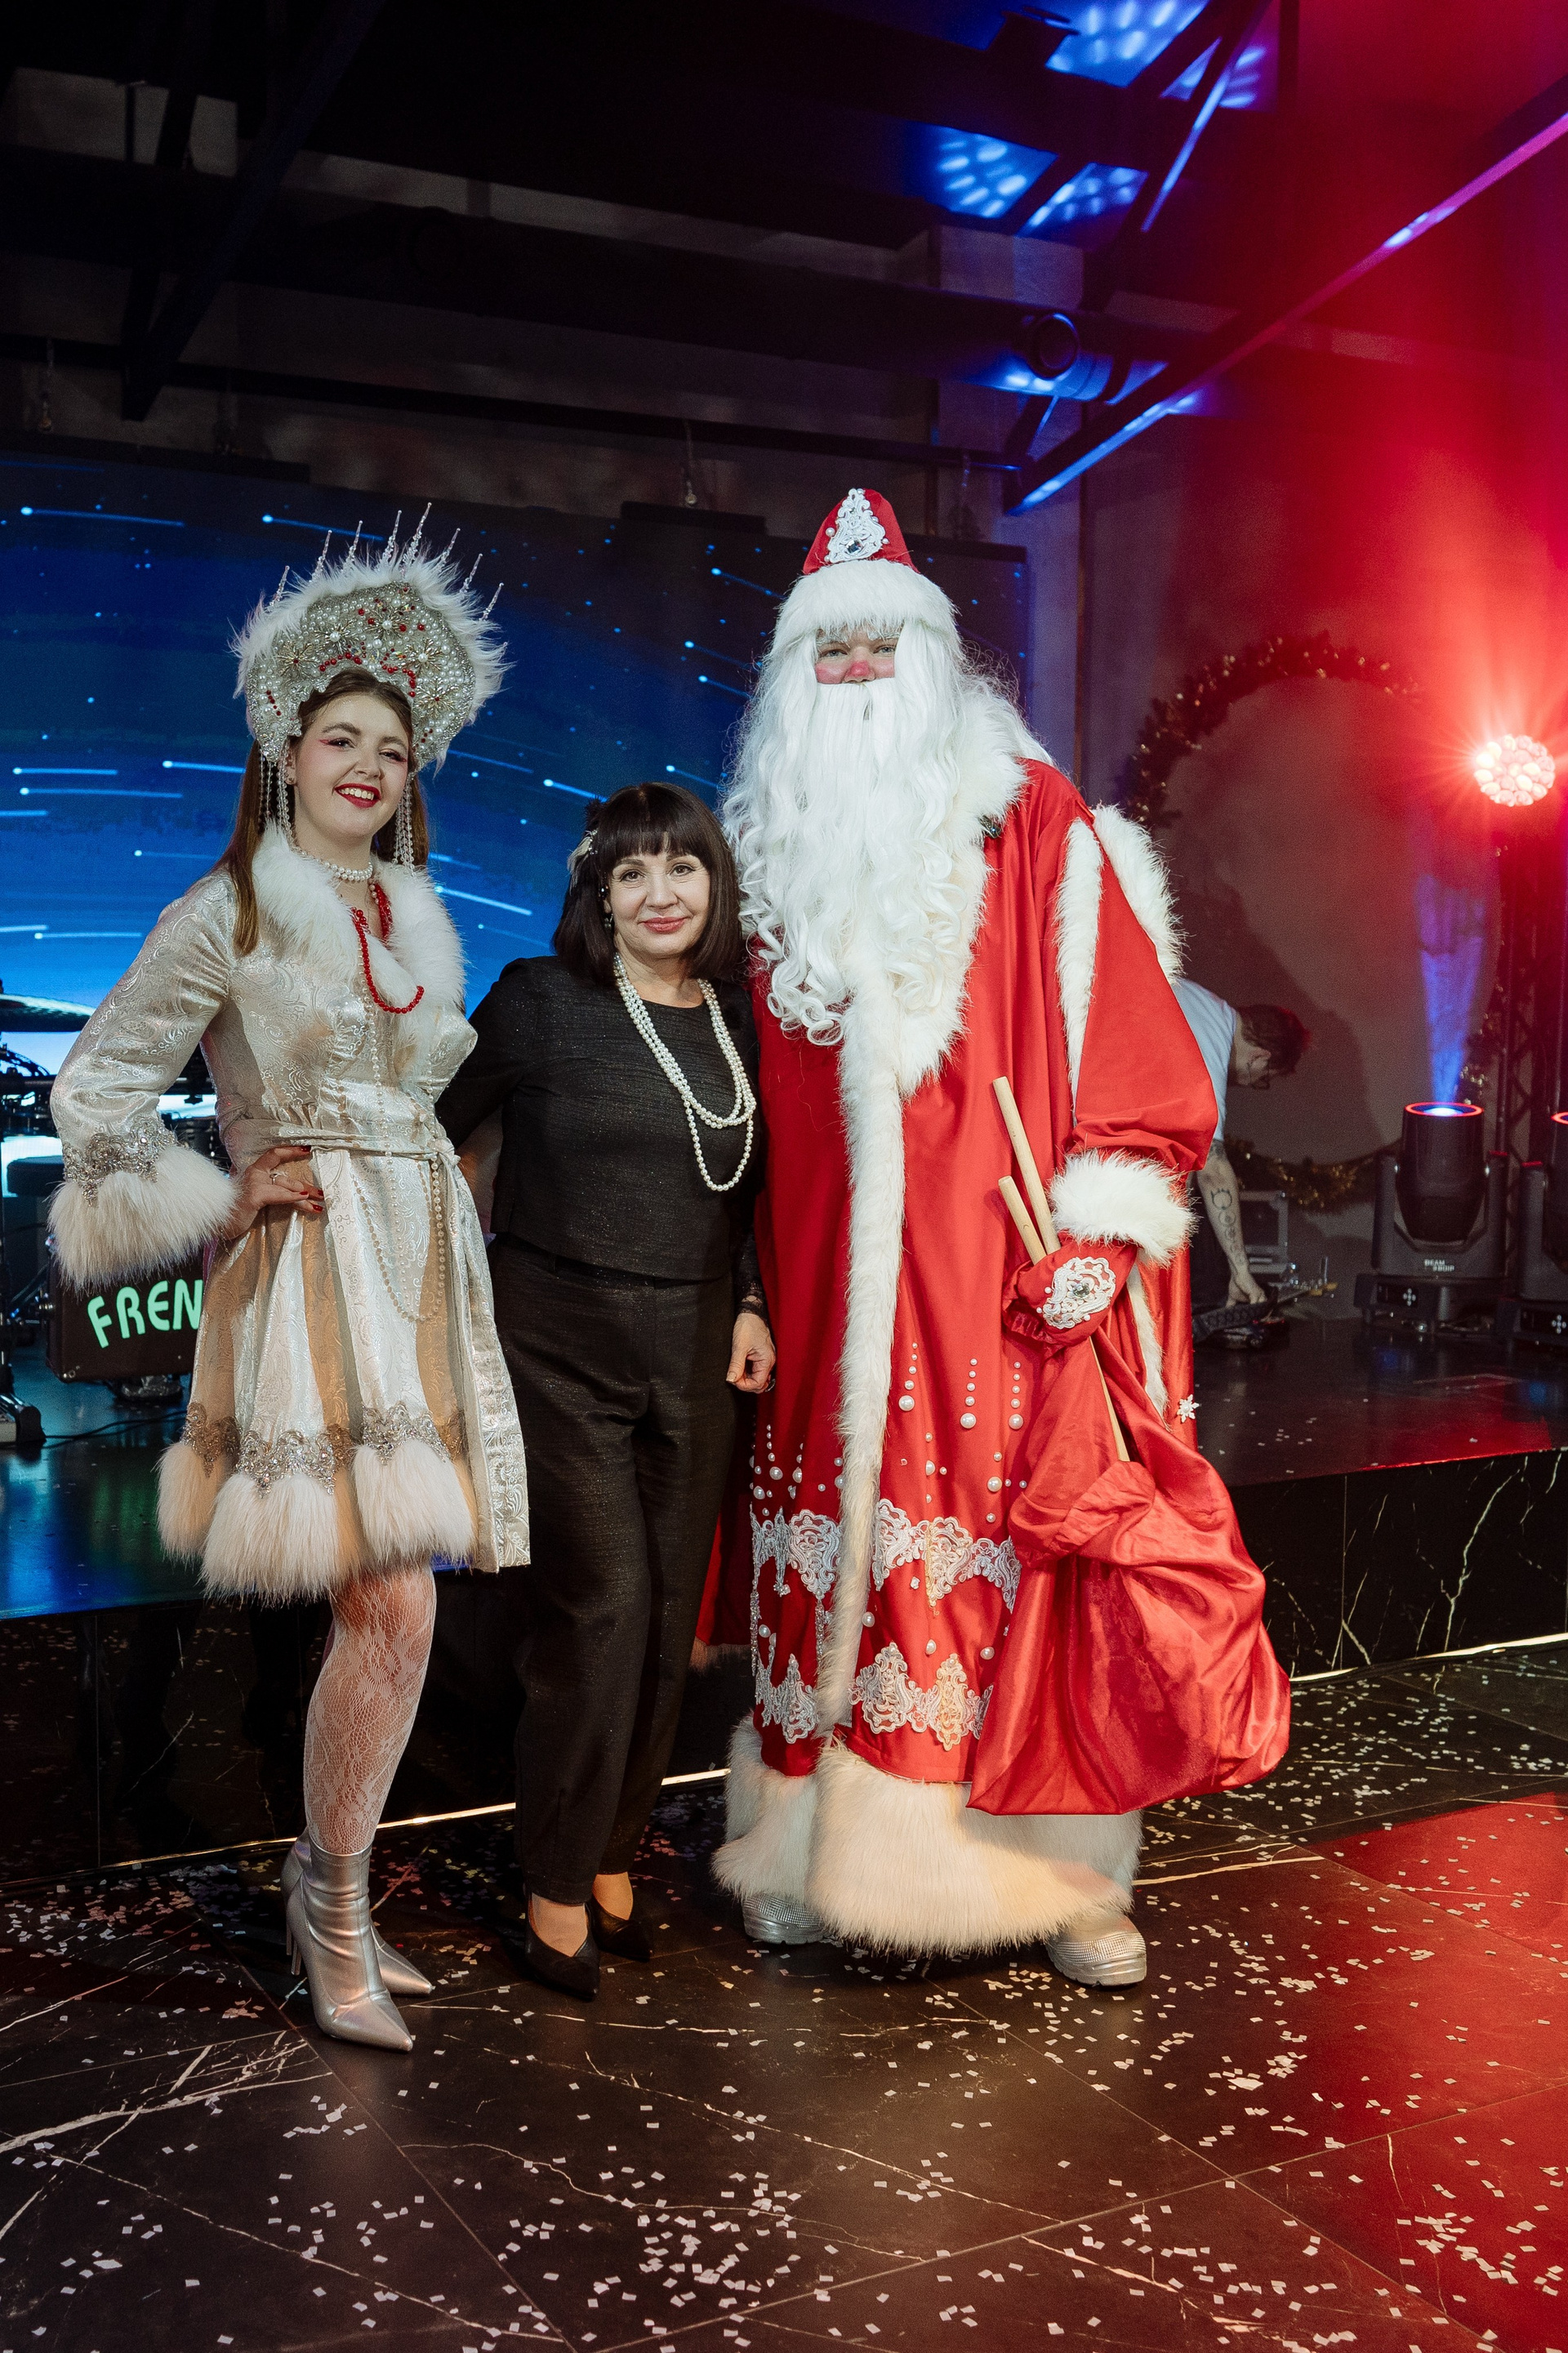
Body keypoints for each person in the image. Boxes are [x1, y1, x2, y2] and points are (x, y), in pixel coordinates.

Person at [706, 487, 1290, 1985]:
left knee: (1018, 1559)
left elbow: (1131, 1032)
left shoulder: (1029, 818)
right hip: (821, 1285)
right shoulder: (761, 853)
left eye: (877, 645)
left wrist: (1106, 1219)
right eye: (826, 649)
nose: (854, 672)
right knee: (827, 1552)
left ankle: (1058, 1879)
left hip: (996, 1271)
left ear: (930, 657)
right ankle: (797, 1844)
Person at [48, 524, 528, 2052]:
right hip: (312, 1271)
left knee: (401, 1603)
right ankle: (330, 1915)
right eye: (342, 739)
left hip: (416, 1270)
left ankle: (339, 1894)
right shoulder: (231, 911)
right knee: (391, 1602)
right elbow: (96, 1087)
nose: (370, 765)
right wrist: (231, 1187)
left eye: (393, 746)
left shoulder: (413, 914)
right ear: (285, 751)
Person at [434, 783, 775, 2000]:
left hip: (698, 1351)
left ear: (714, 883)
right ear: (600, 892)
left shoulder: (741, 1021)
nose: (659, 893)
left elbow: (755, 1194)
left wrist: (751, 1299)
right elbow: (431, 1135)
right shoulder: (538, 1000)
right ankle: (556, 1878)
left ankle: (615, 1850)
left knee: (673, 1617)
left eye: (682, 867)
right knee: (604, 1608)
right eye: (632, 873)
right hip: (556, 1343)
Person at [1170, 979, 1311, 1312]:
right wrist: (1241, 1271)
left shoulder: (1201, 1001)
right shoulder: (1212, 1038)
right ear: (1260, 1056)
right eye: (1264, 1078)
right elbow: (1213, 1169)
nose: (1253, 1085)